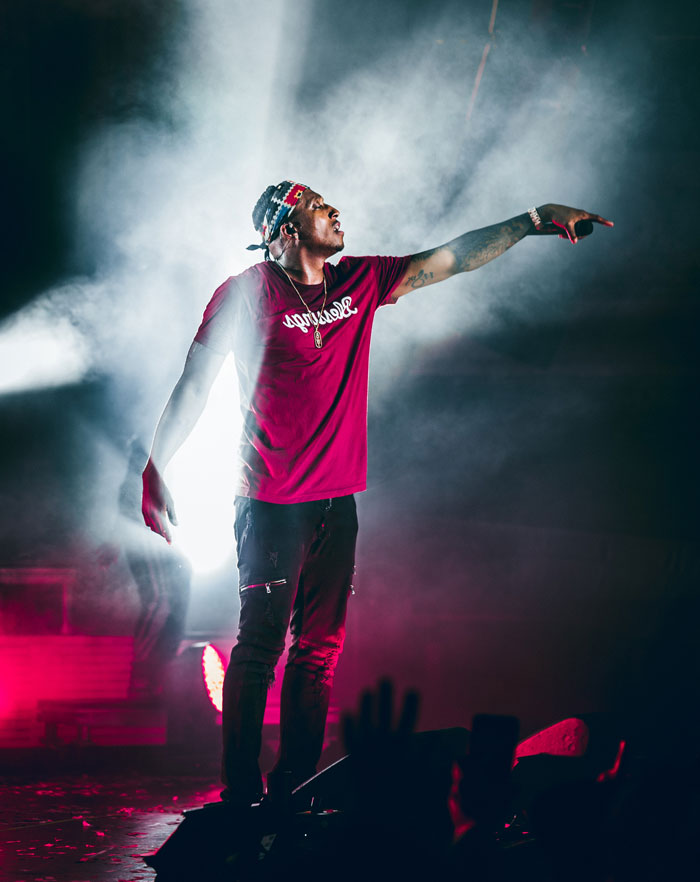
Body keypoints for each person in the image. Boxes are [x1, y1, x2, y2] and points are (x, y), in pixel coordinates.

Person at [141, 180, 613, 806]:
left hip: (337, 501)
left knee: (319, 652)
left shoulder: (360, 281)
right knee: (259, 649)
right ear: (286, 230)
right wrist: (157, 466)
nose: (334, 211)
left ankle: (294, 789)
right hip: (270, 502)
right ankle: (240, 796)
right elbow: (196, 382)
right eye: (317, 206)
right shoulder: (246, 293)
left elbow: (452, 257)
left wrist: (532, 219)